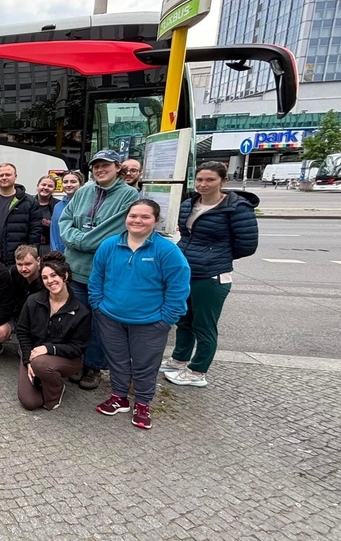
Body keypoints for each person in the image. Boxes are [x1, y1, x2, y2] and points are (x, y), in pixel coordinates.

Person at [90, 200, 190, 430]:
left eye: (145, 217)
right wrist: (98, 305)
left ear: (156, 220)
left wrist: (167, 318)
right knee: (118, 361)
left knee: (146, 364)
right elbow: (97, 278)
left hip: (151, 322)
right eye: (133, 215)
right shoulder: (109, 245)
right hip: (110, 317)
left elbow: (178, 287)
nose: (137, 220)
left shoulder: (167, 251)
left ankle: (143, 403)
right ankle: (119, 397)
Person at [162, 162, 259, 387]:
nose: (203, 184)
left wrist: (214, 256)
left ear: (223, 181)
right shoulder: (189, 204)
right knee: (184, 320)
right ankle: (179, 359)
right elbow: (186, 235)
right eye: (199, 180)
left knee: (204, 324)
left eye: (210, 180)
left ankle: (197, 371)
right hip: (186, 271)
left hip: (212, 276)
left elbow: (246, 245)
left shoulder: (236, 208)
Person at [58, 150, 138, 390]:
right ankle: (78, 361)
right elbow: (65, 221)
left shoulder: (129, 195)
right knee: (77, 320)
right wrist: (75, 238)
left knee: (100, 322)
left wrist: (79, 241)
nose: (100, 169)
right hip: (76, 268)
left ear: (117, 168)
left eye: (105, 165)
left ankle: (94, 366)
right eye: (96, 166)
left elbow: (110, 231)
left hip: (103, 272)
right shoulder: (82, 192)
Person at [16, 252, 92, 411]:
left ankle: (56, 389)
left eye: (54, 275)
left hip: (65, 358)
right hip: (33, 355)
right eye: (45, 277)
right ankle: (41, 376)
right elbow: (22, 332)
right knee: (30, 402)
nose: (50, 281)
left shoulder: (80, 311)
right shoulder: (33, 301)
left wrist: (49, 349)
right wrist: (27, 361)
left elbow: (78, 347)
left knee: (42, 365)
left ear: (65, 276)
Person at [49, 171, 84, 254]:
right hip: (59, 254)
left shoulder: (86, 205)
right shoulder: (58, 206)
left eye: (73, 182)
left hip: (78, 254)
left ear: (81, 184)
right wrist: (55, 253)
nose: (68, 185)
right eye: (65, 182)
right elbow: (53, 232)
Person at [10, 244, 43, 320]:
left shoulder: (46, 275)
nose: (23, 269)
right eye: (19, 264)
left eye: (28, 264)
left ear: (38, 261)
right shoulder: (14, 272)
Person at [31, 175, 58, 257]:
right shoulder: (28, 203)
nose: (46, 188)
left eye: (50, 186)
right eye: (43, 185)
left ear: (54, 190)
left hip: (52, 247)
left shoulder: (58, 205)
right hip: (31, 247)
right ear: (37, 186)